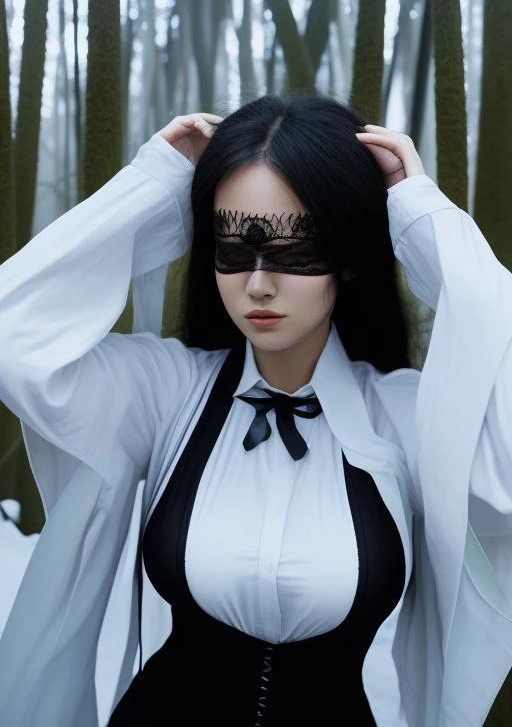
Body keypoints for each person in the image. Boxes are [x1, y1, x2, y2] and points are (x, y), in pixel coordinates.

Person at [0, 94, 511, 727]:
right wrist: (155, 185)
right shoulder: (165, 393)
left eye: (296, 253)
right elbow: (12, 337)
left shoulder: (404, 416)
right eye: (235, 250)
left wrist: (419, 217)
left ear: (348, 257)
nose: (260, 284)